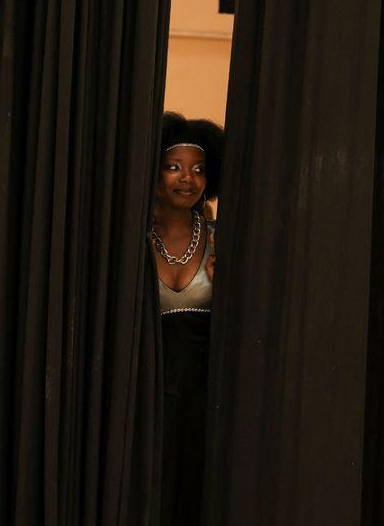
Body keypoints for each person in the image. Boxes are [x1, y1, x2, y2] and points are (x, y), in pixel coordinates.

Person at [150, 112, 224, 525]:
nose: (186, 178)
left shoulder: (219, 235)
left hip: (203, 392)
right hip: (150, 388)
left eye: (198, 170)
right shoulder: (135, 235)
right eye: (173, 167)